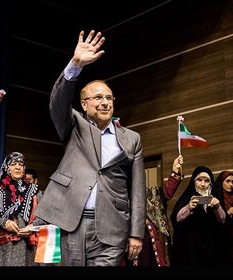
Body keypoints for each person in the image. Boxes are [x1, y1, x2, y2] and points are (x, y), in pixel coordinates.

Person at [34, 30, 146, 266]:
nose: (105, 102)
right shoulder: (75, 126)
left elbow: (137, 189)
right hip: (69, 221)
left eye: (109, 97)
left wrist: (136, 232)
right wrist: (75, 65)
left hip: (111, 226)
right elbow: (58, 103)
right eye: (98, 98)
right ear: (84, 104)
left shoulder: (132, 139)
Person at [0, 152, 46, 266]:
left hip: (28, 248)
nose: (17, 167)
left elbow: (45, 214)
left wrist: (33, 226)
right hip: (1, 249)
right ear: (7, 167)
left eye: (20, 164)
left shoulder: (34, 190)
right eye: (13, 164)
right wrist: (4, 222)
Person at [128, 155, 183, 266]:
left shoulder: (148, 194)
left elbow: (166, 194)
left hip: (151, 248)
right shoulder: (118, 196)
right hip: (129, 249)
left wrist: (175, 171)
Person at [170, 166, 226, 266]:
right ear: (193, 181)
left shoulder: (215, 198)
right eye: (199, 180)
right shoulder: (186, 198)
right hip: (190, 248)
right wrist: (188, 208)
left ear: (210, 183)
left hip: (212, 247)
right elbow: (176, 219)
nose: (203, 184)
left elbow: (222, 220)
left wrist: (217, 207)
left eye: (206, 181)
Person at [214, 171, 233, 266]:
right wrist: (228, 213)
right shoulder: (216, 198)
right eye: (228, 181)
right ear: (221, 182)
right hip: (222, 240)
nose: (231, 184)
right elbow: (214, 222)